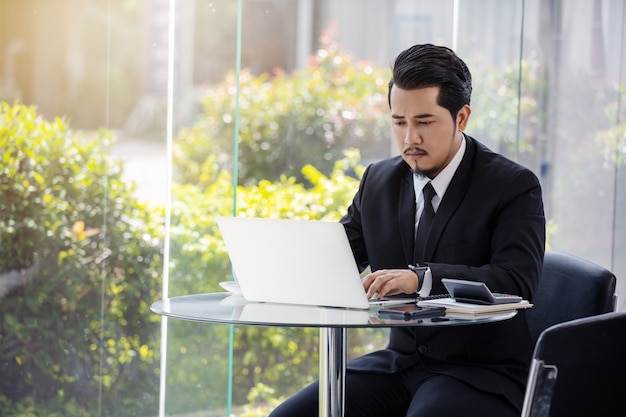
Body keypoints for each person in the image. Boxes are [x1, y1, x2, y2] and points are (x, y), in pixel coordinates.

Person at [269, 43, 545, 417]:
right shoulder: (379, 180)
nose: (409, 138)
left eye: (424, 122)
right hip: (399, 364)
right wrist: (273, 268)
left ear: (461, 118)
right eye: (399, 122)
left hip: (481, 372)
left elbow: (516, 280)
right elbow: (339, 257)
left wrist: (421, 279)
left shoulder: (511, 185)